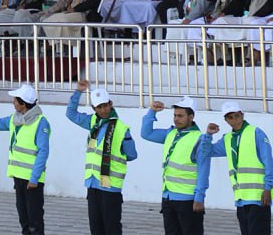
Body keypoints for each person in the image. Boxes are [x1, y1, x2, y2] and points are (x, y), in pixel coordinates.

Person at [0, 84, 49, 235]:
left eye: (15, 100)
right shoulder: (15, 119)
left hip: (32, 180)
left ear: (23, 103)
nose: (12, 102)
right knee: (24, 219)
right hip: (18, 177)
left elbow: (43, 152)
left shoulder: (41, 122)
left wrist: (34, 178)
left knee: (35, 221)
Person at [67, 79, 137, 235]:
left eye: (105, 105)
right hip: (92, 182)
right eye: (99, 107)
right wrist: (78, 92)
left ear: (111, 104)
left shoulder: (121, 128)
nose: (103, 110)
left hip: (110, 184)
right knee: (96, 227)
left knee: (111, 228)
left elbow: (132, 154)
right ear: (94, 108)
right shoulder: (92, 122)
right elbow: (70, 114)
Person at [141, 96, 210, 235]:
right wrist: (152, 112)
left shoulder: (200, 139)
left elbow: (204, 171)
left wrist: (199, 198)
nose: (176, 119)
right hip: (168, 197)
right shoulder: (171, 133)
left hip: (188, 200)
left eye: (180, 116)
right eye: (175, 115)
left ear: (191, 117)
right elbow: (146, 133)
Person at [206, 100, 273, 235]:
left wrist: (268, 188)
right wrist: (208, 135)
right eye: (230, 117)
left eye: (237, 115)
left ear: (242, 115)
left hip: (259, 198)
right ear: (226, 120)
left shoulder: (255, 133)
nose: (235, 119)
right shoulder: (227, 139)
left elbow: (268, 161)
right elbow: (208, 152)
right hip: (241, 200)